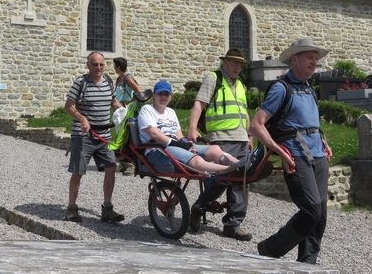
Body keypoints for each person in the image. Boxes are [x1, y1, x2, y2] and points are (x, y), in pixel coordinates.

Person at [250, 37, 333, 265]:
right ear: (295, 59)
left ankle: (307, 264)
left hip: (318, 155)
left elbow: (305, 120)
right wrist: (280, 151)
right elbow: (256, 125)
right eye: (309, 57)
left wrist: (322, 140)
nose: (314, 62)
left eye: (316, 58)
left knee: (321, 215)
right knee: (311, 210)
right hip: (296, 157)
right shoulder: (280, 88)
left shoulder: (308, 87)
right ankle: (269, 248)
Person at [186, 48, 252, 241]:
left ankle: (232, 224)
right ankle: (199, 207)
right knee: (222, 179)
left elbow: (244, 111)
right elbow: (199, 103)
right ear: (225, 62)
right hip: (221, 138)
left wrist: (248, 135)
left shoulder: (240, 85)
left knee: (242, 180)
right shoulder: (213, 79)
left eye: (239, 64)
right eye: (233, 62)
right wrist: (192, 128)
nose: (237, 66)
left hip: (240, 139)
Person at [64, 51, 124, 223]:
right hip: (83, 136)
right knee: (78, 171)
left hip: (104, 135)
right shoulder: (81, 83)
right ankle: (71, 208)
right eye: (95, 64)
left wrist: (123, 112)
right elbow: (68, 106)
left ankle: (107, 208)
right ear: (88, 65)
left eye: (101, 64)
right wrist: (82, 118)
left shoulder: (109, 82)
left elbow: (113, 101)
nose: (98, 68)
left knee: (111, 167)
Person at [138, 80, 247, 174]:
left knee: (214, 149)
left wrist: (186, 143)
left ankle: (243, 165)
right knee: (196, 160)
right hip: (157, 149)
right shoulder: (147, 109)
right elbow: (154, 134)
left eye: (166, 94)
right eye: (160, 94)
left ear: (170, 96)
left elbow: (178, 134)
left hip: (173, 146)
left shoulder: (170, 112)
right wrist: (178, 144)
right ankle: (230, 169)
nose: (163, 97)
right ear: (154, 96)